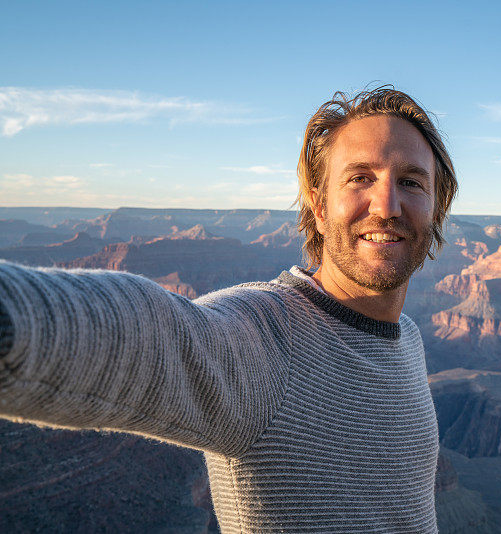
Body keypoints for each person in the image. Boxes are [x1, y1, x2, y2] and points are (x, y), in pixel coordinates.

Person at [0, 86, 458, 533]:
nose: (387, 205)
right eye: (361, 177)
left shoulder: (408, 338)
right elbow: (151, 330)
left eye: (411, 182)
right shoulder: (266, 340)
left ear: (436, 211)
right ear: (319, 208)